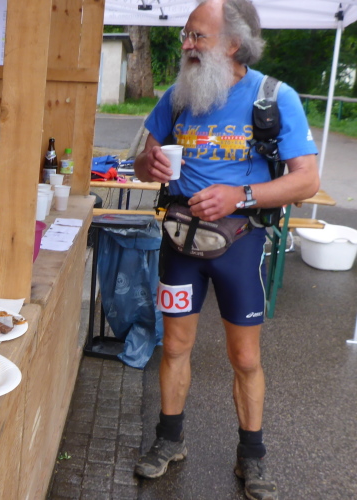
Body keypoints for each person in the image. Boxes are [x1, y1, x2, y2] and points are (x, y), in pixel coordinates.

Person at [132, 1, 319, 499]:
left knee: (245, 357)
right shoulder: (177, 96)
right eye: (186, 36)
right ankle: (169, 439)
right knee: (174, 346)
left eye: (198, 36)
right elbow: (140, 161)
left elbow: (307, 180)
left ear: (234, 44)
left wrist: (241, 195)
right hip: (180, 240)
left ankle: (251, 456)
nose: (187, 45)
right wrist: (149, 165)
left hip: (241, 243)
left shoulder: (273, 97)